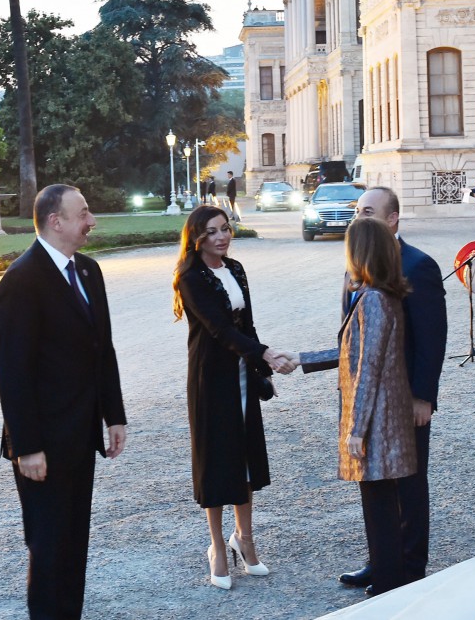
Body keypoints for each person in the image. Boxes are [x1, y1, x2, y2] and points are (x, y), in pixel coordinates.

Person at [297, 186, 446, 592]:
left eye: (368, 211)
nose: (359, 217)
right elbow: (358, 343)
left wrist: (423, 396)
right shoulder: (359, 268)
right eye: (358, 210)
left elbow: (431, 338)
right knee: (377, 485)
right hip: (368, 394)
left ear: (393, 218)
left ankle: (409, 568)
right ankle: (382, 562)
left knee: (409, 485)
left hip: (404, 398)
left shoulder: (418, 265)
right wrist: (304, 359)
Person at [0, 184, 127, 619]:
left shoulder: (88, 271)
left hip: (80, 436)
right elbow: (12, 372)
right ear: (56, 221)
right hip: (43, 447)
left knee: (74, 543)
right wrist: (27, 446)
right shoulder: (21, 281)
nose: (92, 221)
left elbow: (102, 348)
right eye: (84, 212)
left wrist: (115, 415)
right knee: (49, 549)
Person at [172, 205, 292, 590]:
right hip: (211, 379)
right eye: (212, 231)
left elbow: (247, 325)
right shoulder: (190, 276)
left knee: (244, 457)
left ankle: (245, 539)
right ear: (197, 237)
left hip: (242, 372)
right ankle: (217, 549)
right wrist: (265, 353)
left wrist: (262, 369)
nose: (222, 237)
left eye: (225, 229)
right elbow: (220, 330)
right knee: (216, 461)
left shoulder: (236, 268)